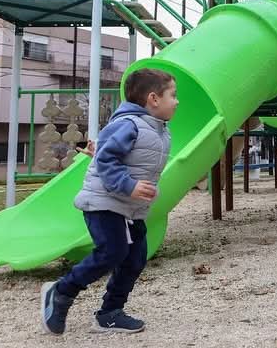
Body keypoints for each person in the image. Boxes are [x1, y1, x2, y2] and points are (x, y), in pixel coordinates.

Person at [41, 68, 178, 334]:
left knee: (135, 259)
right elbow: (107, 160)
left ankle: (110, 313)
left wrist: (137, 188)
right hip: (105, 203)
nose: (177, 101)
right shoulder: (128, 124)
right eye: (173, 95)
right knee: (112, 252)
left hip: (130, 207)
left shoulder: (159, 130)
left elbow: (122, 157)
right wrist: (130, 185)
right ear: (153, 98)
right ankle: (61, 291)